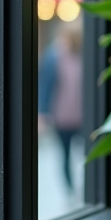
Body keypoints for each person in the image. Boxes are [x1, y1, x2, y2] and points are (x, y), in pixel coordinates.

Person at [38, 21, 82, 194]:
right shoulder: (53, 57)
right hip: (61, 116)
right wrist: (42, 113)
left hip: (82, 116)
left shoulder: (84, 56)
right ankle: (70, 189)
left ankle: (86, 187)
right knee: (65, 154)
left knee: (85, 153)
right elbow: (45, 86)